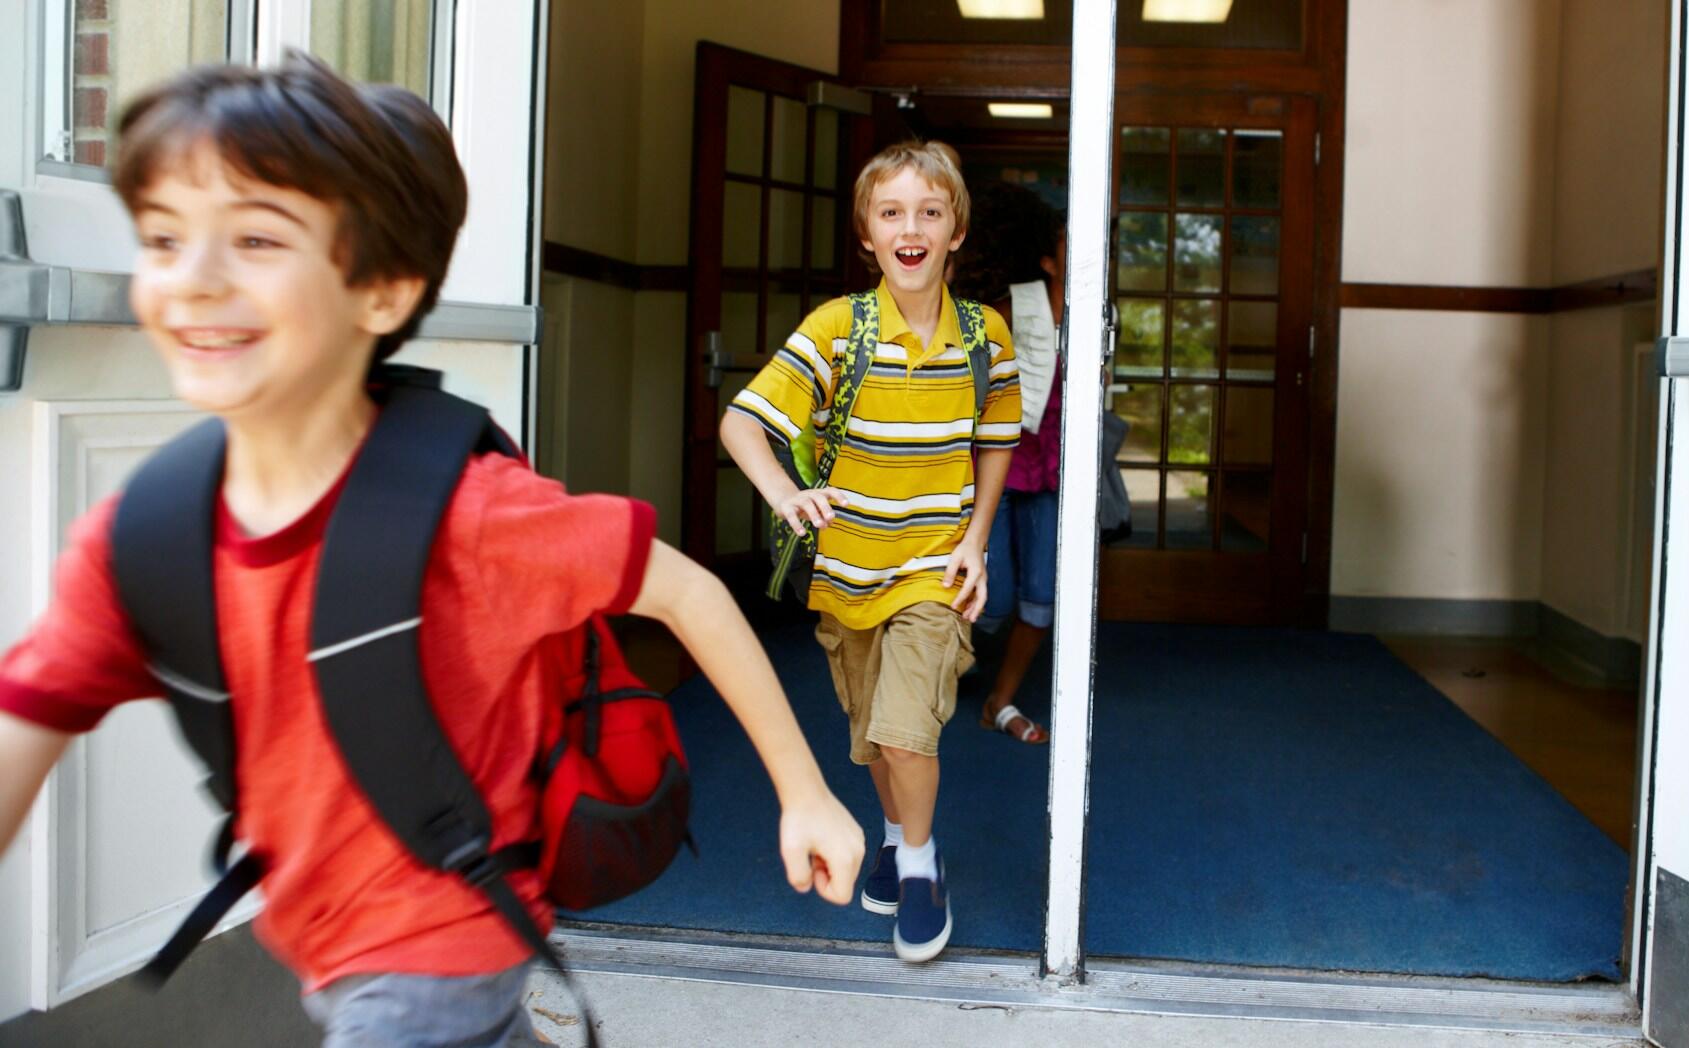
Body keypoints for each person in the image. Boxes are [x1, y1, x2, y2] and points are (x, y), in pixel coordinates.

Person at [0, 53, 864, 1047]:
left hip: (440, 948)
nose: (194, 280)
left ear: (381, 291)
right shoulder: (147, 534)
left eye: (256, 239)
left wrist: (804, 793)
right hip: (322, 940)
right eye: (163, 237)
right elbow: (28, 712)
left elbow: (688, 592)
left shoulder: (472, 514)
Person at [720, 141, 1022, 963]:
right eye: (892, 213)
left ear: (956, 230)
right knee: (874, 740)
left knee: (905, 732)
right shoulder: (837, 330)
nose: (910, 228)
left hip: (934, 572)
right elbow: (741, 424)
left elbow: (996, 440)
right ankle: (896, 836)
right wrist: (786, 495)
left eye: (930, 212)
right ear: (868, 233)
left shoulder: (985, 335)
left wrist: (976, 541)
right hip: (847, 576)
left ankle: (920, 867)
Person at [949, 182, 1067, 745]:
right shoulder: (1008, 311)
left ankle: (1001, 701)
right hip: (998, 466)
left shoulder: (1099, 322)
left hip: (1054, 473)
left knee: (1041, 597)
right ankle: (945, 660)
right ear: (1047, 260)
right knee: (990, 599)